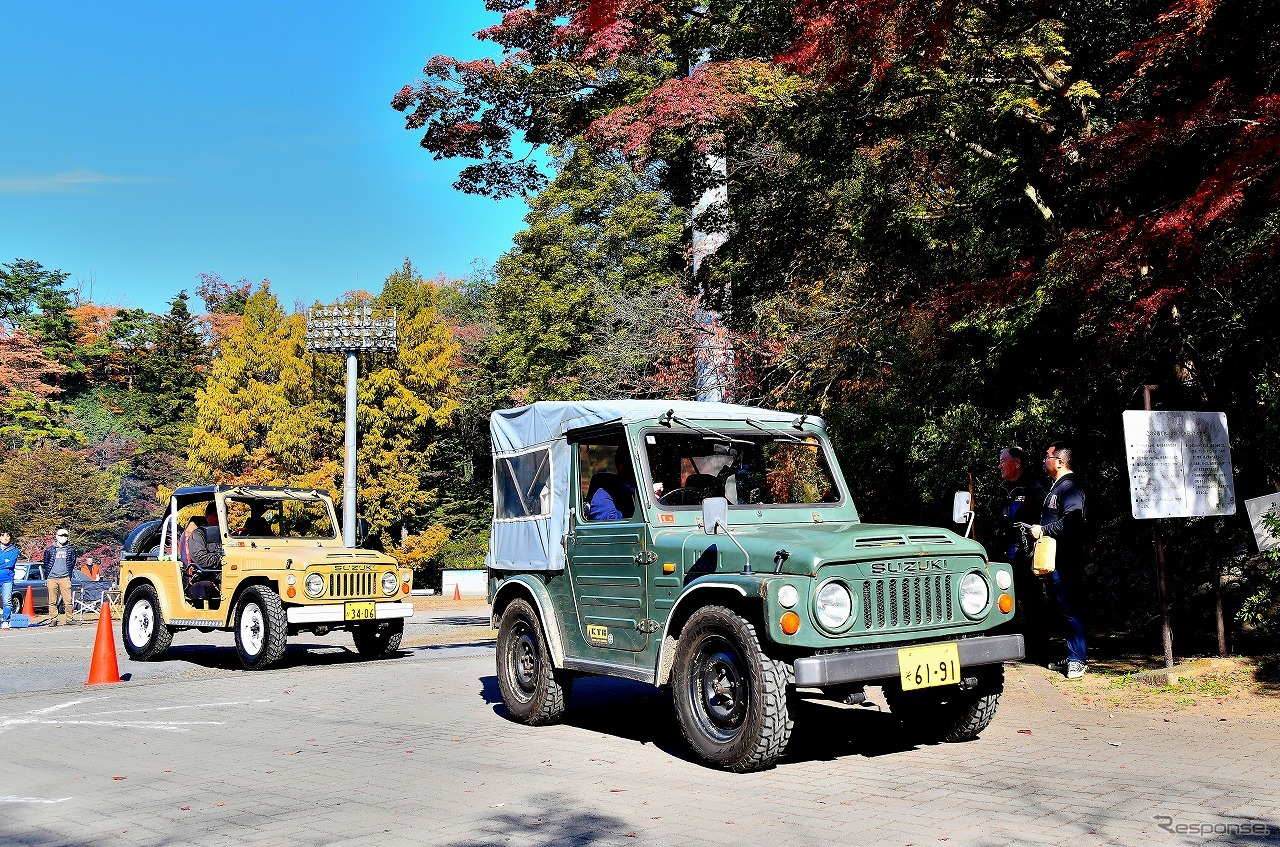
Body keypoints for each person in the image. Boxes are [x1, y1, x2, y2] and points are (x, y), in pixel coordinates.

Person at [1029, 441, 1088, 679]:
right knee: (1063, 608)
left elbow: (1073, 522)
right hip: (1055, 559)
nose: (1044, 461)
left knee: (1070, 607)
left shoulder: (1070, 487)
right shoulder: (1057, 487)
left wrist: (1042, 530)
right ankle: (1072, 653)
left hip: (1067, 559)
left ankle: (1078, 660)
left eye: (1047, 457)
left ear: (1060, 461)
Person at [992, 446, 1049, 661]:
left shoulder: (1034, 487)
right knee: (1006, 599)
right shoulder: (1005, 489)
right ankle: (1010, 647)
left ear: (1016, 463)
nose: (999, 465)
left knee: (1032, 600)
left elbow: (1048, 516)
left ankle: (1039, 650)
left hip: (1026, 552)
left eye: (1002, 460)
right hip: (1006, 553)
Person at [586, 446, 637, 521]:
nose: (651, 472)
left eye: (651, 467)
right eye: (644, 466)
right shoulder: (604, 492)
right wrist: (642, 505)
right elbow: (606, 523)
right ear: (622, 468)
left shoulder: (638, 489)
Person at [184, 505, 223, 602]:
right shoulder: (198, 534)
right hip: (207, 574)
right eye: (216, 514)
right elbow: (201, 560)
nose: (221, 517)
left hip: (225, 570)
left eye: (224, 514)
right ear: (207, 516)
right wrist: (222, 559)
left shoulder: (226, 535)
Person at [42, 528, 77, 626]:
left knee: (68, 601)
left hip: (65, 577)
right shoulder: (50, 549)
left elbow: (72, 562)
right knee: (52, 600)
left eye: (65, 535)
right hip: (51, 578)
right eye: (61, 535)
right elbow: (46, 562)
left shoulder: (70, 549)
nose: (63, 538)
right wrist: (47, 576)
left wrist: (68, 574)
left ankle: (69, 619)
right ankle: (53, 619)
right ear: (56, 536)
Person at [1, 530, 19, 630]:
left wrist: (4, 563)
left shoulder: (14, 550)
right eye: (3, 536)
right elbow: (5, 562)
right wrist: (4, 562)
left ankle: (5, 621)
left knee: (7, 601)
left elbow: (10, 563)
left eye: (7, 536)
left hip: (7, 579)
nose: (5, 538)